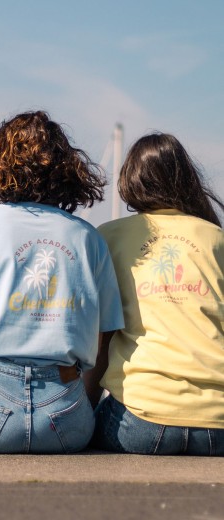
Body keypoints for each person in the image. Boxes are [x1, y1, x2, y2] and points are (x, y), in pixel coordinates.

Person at [0, 111, 124, 453]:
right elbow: (102, 341)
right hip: (65, 412)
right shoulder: (88, 238)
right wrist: (83, 400)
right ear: (65, 167)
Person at [91, 132, 224, 456]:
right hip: (218, 426)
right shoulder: (216, 238)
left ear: (130, 179)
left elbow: (100, 339)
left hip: (140, 422)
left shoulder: (109, 237)